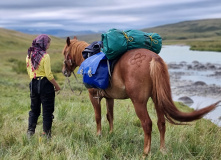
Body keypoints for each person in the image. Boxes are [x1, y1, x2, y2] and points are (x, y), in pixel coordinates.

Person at [26, 34, 60, 138]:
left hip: (33, 83)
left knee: (34, 110)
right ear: (44, 43)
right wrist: (57, 86)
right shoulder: (45, 56)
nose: (49, 45)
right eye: (48, 43)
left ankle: (30, 133)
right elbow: (49, 75)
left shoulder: (29, 55)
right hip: (45, 84)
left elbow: (29, 71)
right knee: (47, 111)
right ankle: (46, 134)